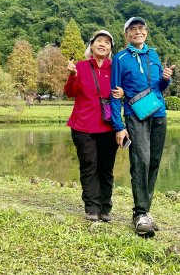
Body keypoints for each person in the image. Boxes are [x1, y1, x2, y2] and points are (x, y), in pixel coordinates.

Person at [110, 17, 174, 237]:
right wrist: (119, 126)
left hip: (158, 113)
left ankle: (146, 211)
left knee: (154, 162)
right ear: (126, 35)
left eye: (141, 28)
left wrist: (166, 80)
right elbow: (114, 94)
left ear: (146, 32)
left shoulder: (153, 55)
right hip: (135, 115)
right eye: (132, 29)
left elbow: (159, 87)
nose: (137, 32)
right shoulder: (119, 58)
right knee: (141, 161)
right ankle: (139, 213)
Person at [64, 30, 123, 222]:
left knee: (106, 168)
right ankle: (91, 207)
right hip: (83, 126)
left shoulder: (115, 68)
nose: (103, 44)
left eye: (107, 42)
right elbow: (70, 93)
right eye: (99, 41)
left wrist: (123, 93)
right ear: (91, 45)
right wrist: (72, 75)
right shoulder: (80, 66)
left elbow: (125, 92)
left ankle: (105, 207)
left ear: (110, 49)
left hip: (108, 127)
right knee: (89, 166)